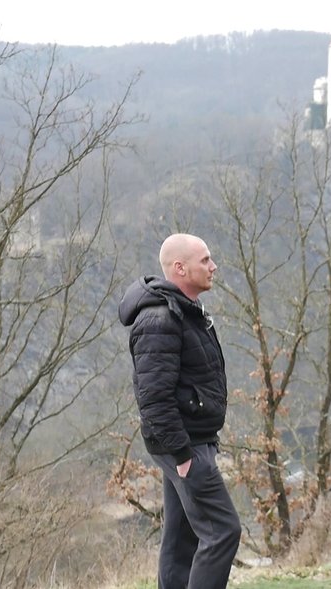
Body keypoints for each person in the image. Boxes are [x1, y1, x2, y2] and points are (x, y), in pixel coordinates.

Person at [118, 233, 241, 589]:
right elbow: (153, 398)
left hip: (190, 441)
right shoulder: (160, 319)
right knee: (222, 532)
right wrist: (183, 455)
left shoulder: (183, 312)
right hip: (184, 446)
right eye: (205, 260)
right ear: (179, 268)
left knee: (182, 539)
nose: (213, 266)